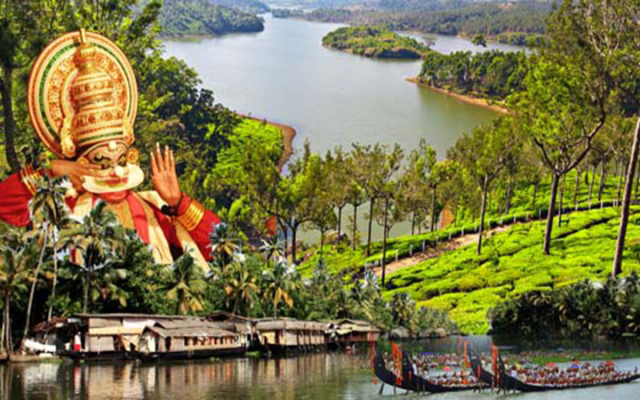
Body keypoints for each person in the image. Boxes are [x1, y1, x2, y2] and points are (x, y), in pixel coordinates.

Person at [0, 29, 219, 270]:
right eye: (102, 163)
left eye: (120, 160)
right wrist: (51, 171)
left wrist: (178, 203)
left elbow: (220, 246)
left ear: (130, 156)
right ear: (81, 162)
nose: (115, 172)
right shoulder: (64, 208)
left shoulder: (151, 209)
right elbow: (4, 203)